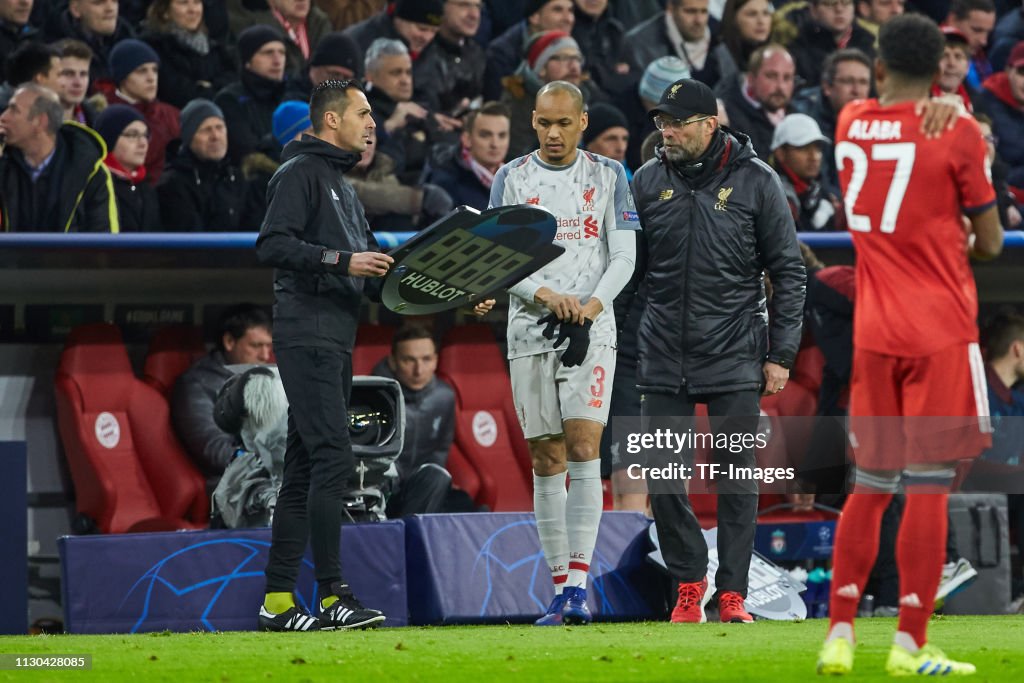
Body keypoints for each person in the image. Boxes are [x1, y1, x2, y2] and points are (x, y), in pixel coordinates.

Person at [815, 14, 1003, 675]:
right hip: (940, 329)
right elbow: (991, 241)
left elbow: (883, 108)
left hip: (876, 330)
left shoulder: (849, 123)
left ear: (881, 62)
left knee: (868, 486)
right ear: (939, 68)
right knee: (926, 490)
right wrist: (956, 114)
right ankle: (909, 644)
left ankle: (838, 632)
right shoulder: (951, 130)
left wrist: (942, 104)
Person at [630, 77, 806, 624]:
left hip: (734, 352)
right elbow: (628, 271)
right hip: (661, 351)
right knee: (661, 477)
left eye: (679, 122)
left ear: (711, 124)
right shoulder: (645, 180)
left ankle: (732, 593)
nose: (668, 132)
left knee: (736, 477)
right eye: (662, 122)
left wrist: (782, 355)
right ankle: (689, 581)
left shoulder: (758, 181)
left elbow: (789, 270)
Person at [489, 80, 639, 626]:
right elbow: (499, 257)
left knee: (583, 447)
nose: (553, 133)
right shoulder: (511, 178)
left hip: (592, 329)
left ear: (581, 123)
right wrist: (544, 295)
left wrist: (592, 307)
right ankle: (558, 588)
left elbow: (624, 255)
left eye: (564, 123)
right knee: (546, 457)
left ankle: (578, 583)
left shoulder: (608, 176)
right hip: (530, 328)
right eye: (544, 123)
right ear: (534, 121)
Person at [254, 79, 392, 632]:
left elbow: (380, 273)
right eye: (362, 113)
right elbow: (271, 244)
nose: (372, 123)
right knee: (334, 456)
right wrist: (344, 262)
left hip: (332, 336)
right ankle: (332, 594)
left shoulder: (343, 186)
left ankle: (278, 602)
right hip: (306, 333)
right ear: (331, 121)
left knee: (306, 465)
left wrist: (453, 289)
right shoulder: (299, 174)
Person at [172, 304, 273, 493]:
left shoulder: (267, 379)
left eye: (269, 346)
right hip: (230, 486)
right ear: (229, 341)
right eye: (256, 346)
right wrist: (267, 461)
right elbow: (215, 450)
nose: (265, 356)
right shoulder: (197, 384)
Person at [0, 84, 118, 232]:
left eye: (14, 110)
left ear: (40, 121)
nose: (3, 117)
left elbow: (104, 241)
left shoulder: (91, 171)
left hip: (72, 256)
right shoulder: (4, 162)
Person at [371, 325, 460, 517]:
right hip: (381, 487)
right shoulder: (373, 397)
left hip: (419, 489)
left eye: (426, 359)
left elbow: (440, 450)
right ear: (393, 362)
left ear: (436, 360)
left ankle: (410, 539)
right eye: (408, 360)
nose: (418, 370)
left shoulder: (444, 397)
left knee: (456, 495)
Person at [157, 98, 258, 231]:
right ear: (189, 137)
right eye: (206, 130)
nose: (215, 136)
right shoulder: (173, 184)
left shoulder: (236, 178)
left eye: (220, 127)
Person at [138, 0, 237, 109]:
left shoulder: (213, 47)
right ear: (165, 12)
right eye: (183, 3)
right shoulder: (154, 47)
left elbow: (233, 83)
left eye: (197, 2)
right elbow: (178, 93)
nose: (193, 10)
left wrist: (208, 87)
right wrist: (212, 89)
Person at [106, 38, 181, 184]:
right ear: (123, 77)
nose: (151, 78)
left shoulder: (172, 115)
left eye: (154, 70)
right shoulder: (105, 115)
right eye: (142, 71)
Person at [214, 25, 287, 165]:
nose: (277, 60)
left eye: (282, 53)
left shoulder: (291, 96)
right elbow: (248, 151)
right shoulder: (230, 100)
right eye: (268, 53)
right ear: (247, 61)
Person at [421, 100, 511, 211]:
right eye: (485, 135)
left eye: (502, 136)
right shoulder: (445, 182)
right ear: (467, 139)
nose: (495, 144)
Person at [720, 43, 797, 162]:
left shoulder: (795, 116)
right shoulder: (727, 117)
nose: (780, 86)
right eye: (771, 76)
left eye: (787, 78)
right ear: (751, 79)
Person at [769, 113, 845, 232]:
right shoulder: (770, 195)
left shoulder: (823, 192)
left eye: (818, 148)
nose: (814, 156)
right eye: (803, 148)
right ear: (780, 153)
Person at [625, 0, 721, 88]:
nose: (699, 20)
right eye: (690, 11)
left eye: (704, 11)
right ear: (671, 8)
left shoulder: (719, 39)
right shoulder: (640, 44)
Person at [94, 104, 160, 232]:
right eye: (132, 135)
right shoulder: (96, 185)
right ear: (109, 139)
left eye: (145, 135)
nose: (143, 143)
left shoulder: (146, 188)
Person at [52, 38, 101, 126]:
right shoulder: (28, 124)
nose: (78, 83)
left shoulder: (96, 122)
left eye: (83, 74)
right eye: (68, 74)